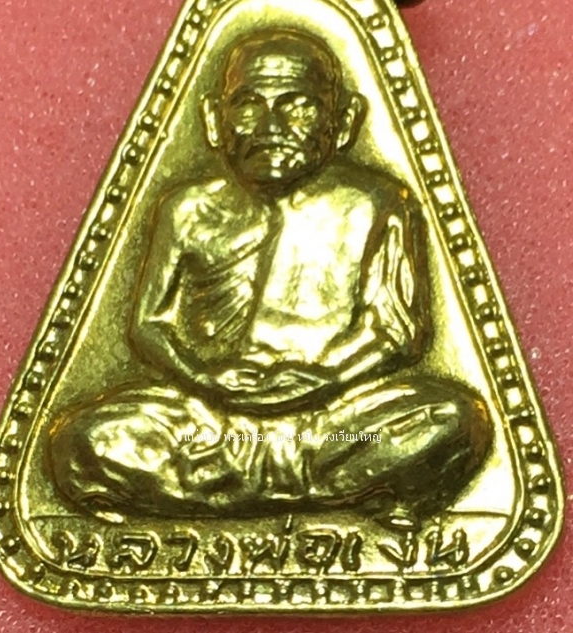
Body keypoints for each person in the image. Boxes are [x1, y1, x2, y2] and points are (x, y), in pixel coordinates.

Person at [49, 28, 491, 527]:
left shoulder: (376, 203)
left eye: (298, 106)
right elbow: (149, 326)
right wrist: (205, 377)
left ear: (343, 121)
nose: (271, 126)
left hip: (335, 428)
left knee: (454, 420)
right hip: (209, 429)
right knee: (80, 439)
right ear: (214, 120)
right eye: (248, 105)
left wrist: (328, 377)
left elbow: (397, 333)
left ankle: (227, 494)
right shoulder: (185, 209)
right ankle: (336, 493)